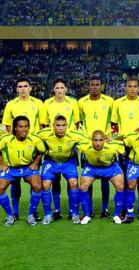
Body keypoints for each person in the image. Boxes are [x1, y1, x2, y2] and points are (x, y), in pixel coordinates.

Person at [2, 78, 44, 219]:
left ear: (30, 88)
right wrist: (13, 142)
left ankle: (34, 211)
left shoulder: (38, 103)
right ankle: (15, 211)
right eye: (20, 86)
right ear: (17, 89)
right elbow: (7, 125)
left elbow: (42, 124)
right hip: (16, 146)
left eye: (26, 86)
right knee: (15, 181)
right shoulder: (11, 104)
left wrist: (35, 142)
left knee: (35, 180)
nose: (23, 89)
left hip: (33, 147)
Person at [111, 77, 139, 218]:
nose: (132, 88)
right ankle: (124, 207)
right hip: (123, 145)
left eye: (135, 86)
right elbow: (113, 126)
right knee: (124, 178)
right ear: (125, 88)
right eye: (130, 86)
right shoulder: (118, 103)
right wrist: (117, 139)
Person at [41, 78, 81, 220]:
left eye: (61, 87)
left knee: (72, 181)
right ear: (54, 89)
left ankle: (73, 211)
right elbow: (44, 123)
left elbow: (77, 123)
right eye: (57, 88)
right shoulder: (47, 103)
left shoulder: (73, 102)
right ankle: (56, 210)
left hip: (69, 143)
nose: (59, 90)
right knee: (54, 180)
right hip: (53, 143)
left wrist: (72, 139)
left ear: (66, 89)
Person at [37, 115, 87, 224]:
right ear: (53, 126)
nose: (61, 128)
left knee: (73, 183)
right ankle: (48, 215)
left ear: (67, 126)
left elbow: (89, 141)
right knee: (45, 184)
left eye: (63, 125)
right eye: (58, 125)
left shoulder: (75, 135)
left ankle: (74, 213)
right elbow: (32, 139)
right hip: (51, 162)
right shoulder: (44, 133)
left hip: (68, 162)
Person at [78, 75, 114, 218]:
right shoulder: (81, 102)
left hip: (104, 143)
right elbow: (79, 122)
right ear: (89, 86)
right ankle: (90, 208)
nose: (94, 87)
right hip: (88, 145)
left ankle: (105, 209)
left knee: (105, 178)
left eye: (97, 84)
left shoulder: (110, 101)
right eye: (92, 85)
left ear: (101, 86)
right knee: (89, 177)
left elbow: (114, 122)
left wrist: (111, 136)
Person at [0, 116, 45, 226]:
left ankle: (31, 214)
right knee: (0, 188)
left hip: (27, 168)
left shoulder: (35, 139)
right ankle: (11, 215)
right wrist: (2, 164)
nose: (24, 129)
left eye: (26, 126)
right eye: (20, 127)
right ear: (15, 128)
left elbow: (41, 151)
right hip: (11, 169)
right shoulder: (6, 139)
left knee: (37, 186)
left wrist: (35, 163)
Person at [78, 130, 125, 225]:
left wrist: (114, 139)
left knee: (120, 186)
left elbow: (125, 141)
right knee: (83, 187)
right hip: (92, 168)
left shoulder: (113, 146)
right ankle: (87, 215)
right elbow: (76, 140)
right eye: (95, 140)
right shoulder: (84, 146)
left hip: (110, 167)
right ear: (91, 140)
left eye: (100, 140)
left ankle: (116, 214)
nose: (98, 143)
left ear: (105, 140)